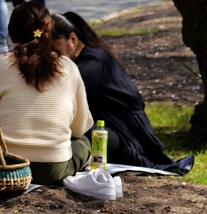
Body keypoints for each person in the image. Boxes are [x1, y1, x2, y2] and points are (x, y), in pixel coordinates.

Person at [0, 3, 93, 186]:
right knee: (83, 141)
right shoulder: (68, 67)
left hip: (1, 164)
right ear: (49, 32)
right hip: (52, 169)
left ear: (11, 34)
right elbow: (79, 128)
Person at [52, 12, 190, 172]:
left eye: (55, 49)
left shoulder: (92, 65)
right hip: (122, 135)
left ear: (73, 40)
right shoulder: (93, 59)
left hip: (126, 140)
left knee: (73, 124)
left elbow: (57, 96)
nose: (52, 56)